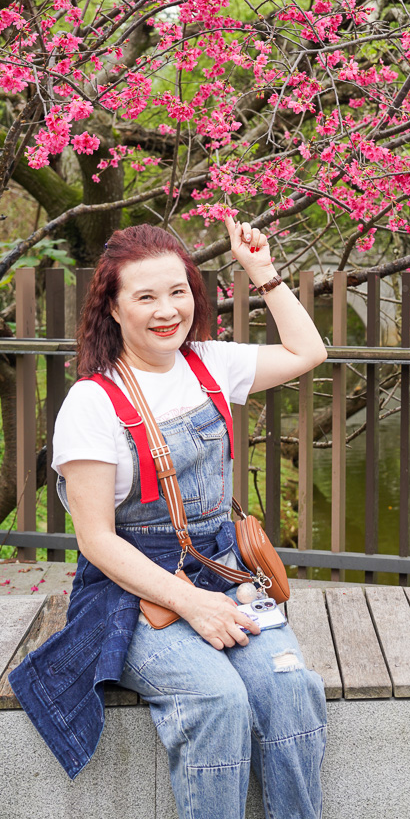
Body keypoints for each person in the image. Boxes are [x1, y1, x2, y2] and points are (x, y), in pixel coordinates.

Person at [9, 217, 328, 819]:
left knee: (288, 686)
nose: (166, 311)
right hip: (132, 597)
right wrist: (190, 603)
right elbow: (96, 540)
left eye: (178, 291)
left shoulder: (210, 363)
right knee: (217, 698)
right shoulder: (92, 403)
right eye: (146, 297)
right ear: (113, 308)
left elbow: (309, 351)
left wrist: (262, 272)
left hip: (225, 575)